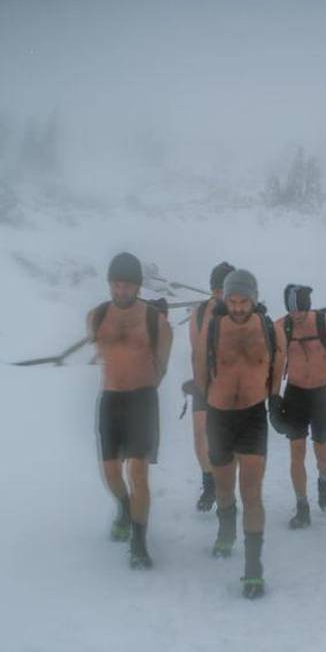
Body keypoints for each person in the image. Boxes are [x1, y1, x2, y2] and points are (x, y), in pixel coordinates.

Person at [194, 269, 286, 599]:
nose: (236, 307)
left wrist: (274, 399)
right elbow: (200, 361)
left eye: (242, 301)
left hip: (252, 417)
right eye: (231, 301)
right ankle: (226, 525)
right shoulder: (213, 324)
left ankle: (253, 568)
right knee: (223, 487)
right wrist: (204, 398)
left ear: (254, 299)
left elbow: (279, 363)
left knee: (251, 492)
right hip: (219, 415)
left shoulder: (268, 328)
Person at [88, 252, 173, 568]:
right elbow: (100, 351)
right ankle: (124, 507)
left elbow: (161, 366)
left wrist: (142, 383)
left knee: (138, 473)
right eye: (116, 285)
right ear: (110, 284)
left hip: (142, 402)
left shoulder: (155, 321)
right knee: (110, 473)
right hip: (110, 401)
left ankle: (138, 540)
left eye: (127, 286)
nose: (121, 291)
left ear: (138, 287)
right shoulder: (96, 317)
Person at [275, 284, 326, 528]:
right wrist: (273, 398)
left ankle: (323, 480)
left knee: (323, 455)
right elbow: (278, 364)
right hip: (295, 395)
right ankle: (302, 506)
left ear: (308, 306)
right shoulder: (282, 326)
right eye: (291, 310)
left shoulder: (325, 323)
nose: (296, 315)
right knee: (296, 452)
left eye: (299, 310)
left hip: (321, 395)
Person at [185, 261, 236, 511]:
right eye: (215, 289)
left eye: (223, 289)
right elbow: (196, 349)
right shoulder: (200, 312)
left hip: (231, 384)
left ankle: (226, 485)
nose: (219, 295)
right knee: (199, 436)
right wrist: (196, 378)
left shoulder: (241, 313)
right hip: (204, 383)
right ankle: (209, 483)